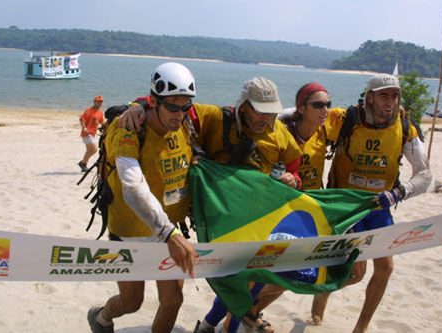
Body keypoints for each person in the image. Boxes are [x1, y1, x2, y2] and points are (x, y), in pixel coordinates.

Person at [118, 77, 303, 333]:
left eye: (271, 112)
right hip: (223, 222)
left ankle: (211, 325)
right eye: (260, 110)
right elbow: (173, 106)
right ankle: (212, 324)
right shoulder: (215, 119)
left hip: (261, 219)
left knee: (257, 277)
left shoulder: (279, 132)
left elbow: (294, 165)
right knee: (234, 282)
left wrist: (294, 179)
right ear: (244, 106)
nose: (265, 118)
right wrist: (138, 105)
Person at [310, 73, 432, 332]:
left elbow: (424, 175)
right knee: (355, 274)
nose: (390, 101)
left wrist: (400, 192)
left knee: (385, 268)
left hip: (380, 204)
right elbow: (304, 117)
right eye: (384, 95)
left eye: (395, 95)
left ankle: (361, 327)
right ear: (370, 98)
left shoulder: (405, 126)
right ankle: (321, 297)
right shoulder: (346, 119)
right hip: (347, 206)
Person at [87, 62, 197, 333]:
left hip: (168, 230)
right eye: (172, 106)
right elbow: (132, 187)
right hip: (131, 231)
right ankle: (101, 317)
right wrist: (169, 234)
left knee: (173, 301)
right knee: (131, 301)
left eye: (185, 107)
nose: (179, 114)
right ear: (154, 101)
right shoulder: (128, 128)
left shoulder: (184, 122)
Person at [238, 82, 332, 331]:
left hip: (307, 213)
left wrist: (400, 112)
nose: (325, 110)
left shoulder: (329, 126)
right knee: (260, 272)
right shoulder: (281, 128)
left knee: (288, 275)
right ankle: (231, 316)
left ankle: (251, 311)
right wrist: (141, 105)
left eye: (328, 104)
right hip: (275, 213)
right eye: (318, 105)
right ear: (302, 107)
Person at [79, 95, 105, 172]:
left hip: (93, 133)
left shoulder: (100, 112)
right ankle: (82, 163)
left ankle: (84, 166)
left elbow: (102, 123)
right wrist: (84, 128)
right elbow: (81, 119)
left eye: (101, 102)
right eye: (98, 101)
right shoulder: (89, 110)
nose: (99, 103)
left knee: (89, 150)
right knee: (94, 150)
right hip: (87, 133)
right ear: (94, 102)